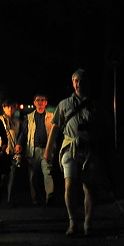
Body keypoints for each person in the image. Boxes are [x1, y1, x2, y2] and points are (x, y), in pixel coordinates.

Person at [45, 69, 101, 236]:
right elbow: (55, 127)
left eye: (81, 80)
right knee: (69, 184)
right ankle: (72, 222)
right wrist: (48, 150)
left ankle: (88, 224)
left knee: (88, 188)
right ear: (72, 83)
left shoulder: (94, 104)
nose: (78, 84)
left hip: (89, 149)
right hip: (70, 147)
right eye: (76, 81)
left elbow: (102, 126)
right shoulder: (64, 104)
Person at [19, 93, 56, 205]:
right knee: (33, 176)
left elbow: (56, 132)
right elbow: (24, 132)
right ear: (34, 103)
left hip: (47, 149)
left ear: (46, 102)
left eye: (42, 100)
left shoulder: (51, 116)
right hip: (33, 149)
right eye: (37, 100)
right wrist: (18, 144)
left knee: (47, 173)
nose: (40, 102)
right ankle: (34, 198)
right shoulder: (29, 117)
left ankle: (49, 197)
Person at [0, 99, 23, 206]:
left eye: (12, 107)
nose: (10, 109)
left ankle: (10, 198)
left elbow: (20, 135)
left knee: (13, 176)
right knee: (2, 176)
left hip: (13, 151)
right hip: (3, 151)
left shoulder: (17, 121)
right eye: (8, 107)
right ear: (3, 108)